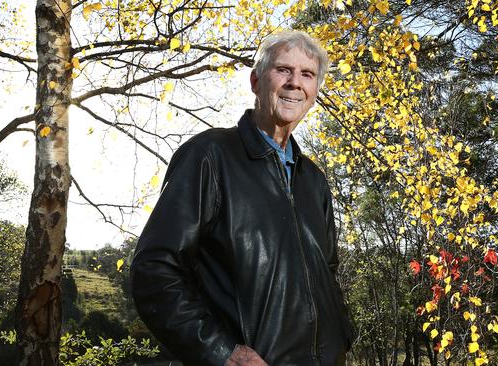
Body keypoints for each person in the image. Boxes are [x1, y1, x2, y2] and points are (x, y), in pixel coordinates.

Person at [130, 30, 353, 366]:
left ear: (314, 91)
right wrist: (220, 352)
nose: (295, 83)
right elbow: (154, 270)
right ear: (255, 81)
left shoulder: (314, 181)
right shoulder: (209, 156)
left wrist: (342, 334)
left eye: (307, 75)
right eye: (283, 70)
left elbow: (327, 270)